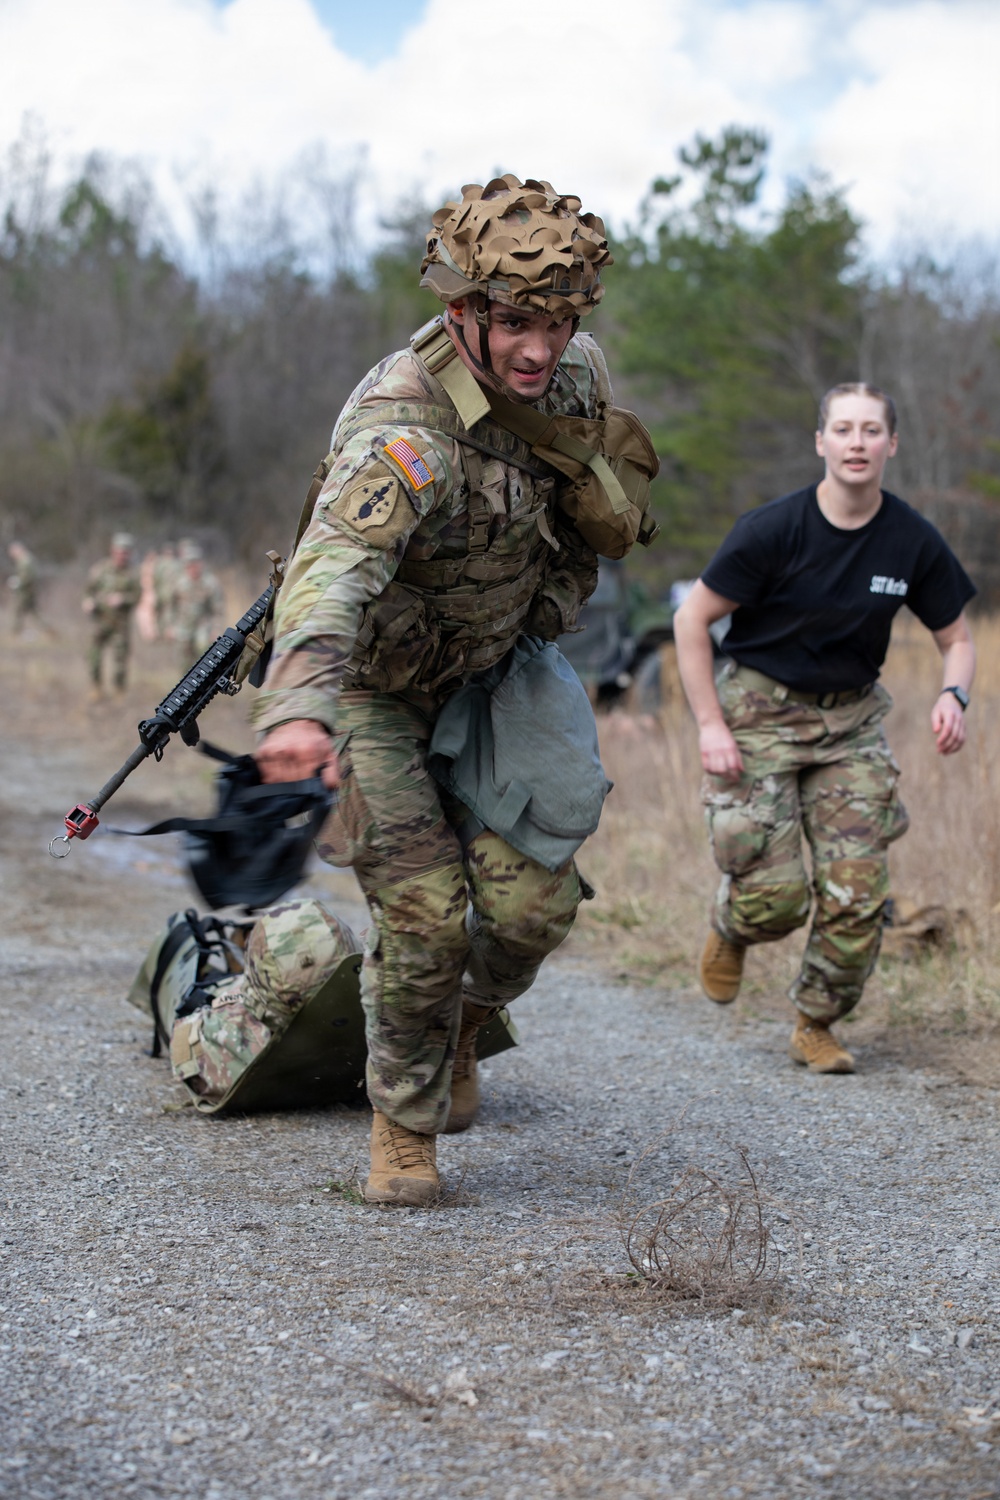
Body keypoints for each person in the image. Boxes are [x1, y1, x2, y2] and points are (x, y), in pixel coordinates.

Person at [251, 174, 657, 1205]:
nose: (540, 349)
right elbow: (330, 572)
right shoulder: (404, 426)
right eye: (517, 322)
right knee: (426, 915)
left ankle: (463, 1023)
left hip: (493, 673)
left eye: (559, 324)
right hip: (375, 691)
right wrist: (296, 708)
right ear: (462, 309)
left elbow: (599, 498)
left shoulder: (573, 380)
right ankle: (404, 1124)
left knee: (531, 908)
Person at [674, 383, 976, 1074]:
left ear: (892, 443)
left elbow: (957, 638)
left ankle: (816, 1022)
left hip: (850, 725)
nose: (857, 442)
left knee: (857, 893)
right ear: (821, 442)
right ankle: (734, 925)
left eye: (871, 430)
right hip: (759, 714)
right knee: (775, 902)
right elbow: (692, 620)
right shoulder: (772, 529)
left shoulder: (911, 540)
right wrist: (711, 725)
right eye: (843, 429)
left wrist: (953, 695)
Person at [82, 532, 142, 697]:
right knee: (93, 655)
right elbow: (88, 591)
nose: (122, 556)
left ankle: (119, 690)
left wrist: (123, 599)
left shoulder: (133, 573)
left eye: (126, 552)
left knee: (120, 660)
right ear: (113, 551)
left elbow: (138, 597)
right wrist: (88, 601)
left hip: (120, 624)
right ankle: (96, 687)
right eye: (119, 552)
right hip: (100, 621)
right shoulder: (100, 569)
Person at [173, 541, 222, 668]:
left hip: (203, 625)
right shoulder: (179, 583)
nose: (193, 568)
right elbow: (172, 605)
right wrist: (171, 625)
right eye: (190, 565)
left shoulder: (210, 583)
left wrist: (215, 629)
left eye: (196, 564)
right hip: (184, 626)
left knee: (203, 655)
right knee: (185, 660)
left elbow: (217, 609)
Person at [7, 541, 43, 635]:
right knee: (33, 612)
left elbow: (27, 576)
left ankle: (15, 632)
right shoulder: (25, 560)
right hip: (27, 590)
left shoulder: (25, 560)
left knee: (18, 611)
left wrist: (17, 582)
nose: (12, 555)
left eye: (13, 552)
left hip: (26, 591)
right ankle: (47, 629)